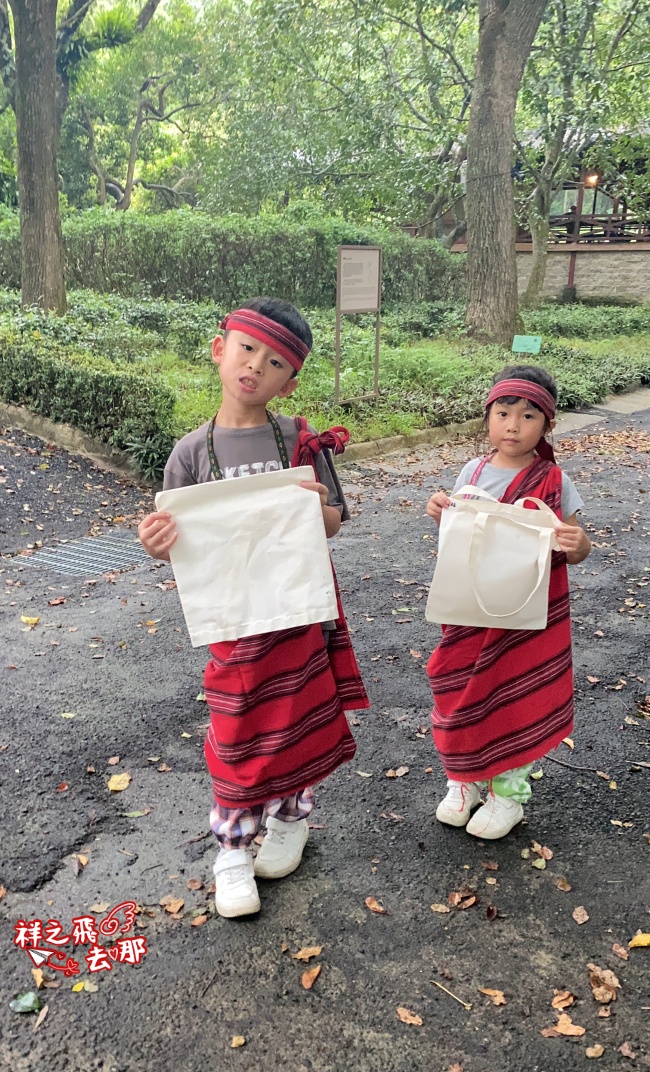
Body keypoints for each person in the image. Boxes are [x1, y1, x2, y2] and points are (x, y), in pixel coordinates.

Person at [138, 297, 368, 916]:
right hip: (234, 625)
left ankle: (292, 819)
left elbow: (336, 522)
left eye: (274, 363)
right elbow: (175, 543)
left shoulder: (299, 439)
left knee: (296, 717)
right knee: (237, 729)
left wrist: (312, 505)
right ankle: (233, 850)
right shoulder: (191, 453)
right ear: (220, 349)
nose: (254, 367)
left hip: (296, 615)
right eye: (245, 349)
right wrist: (155, 542)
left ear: (290, 381)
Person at [425, 365, 591, 840]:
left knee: (513, 697)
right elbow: (460, 539)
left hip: (524, 617)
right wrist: (442, 512)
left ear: (547, 425)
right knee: (458, 691)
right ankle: (463, 778)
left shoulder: (553, 479)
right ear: (488, 417)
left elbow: (578, 542)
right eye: (503, 413)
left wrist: (576, 545)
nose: (513, 426)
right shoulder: (471, 473)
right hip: (468, 613)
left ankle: (508, 791)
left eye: (528, 415)